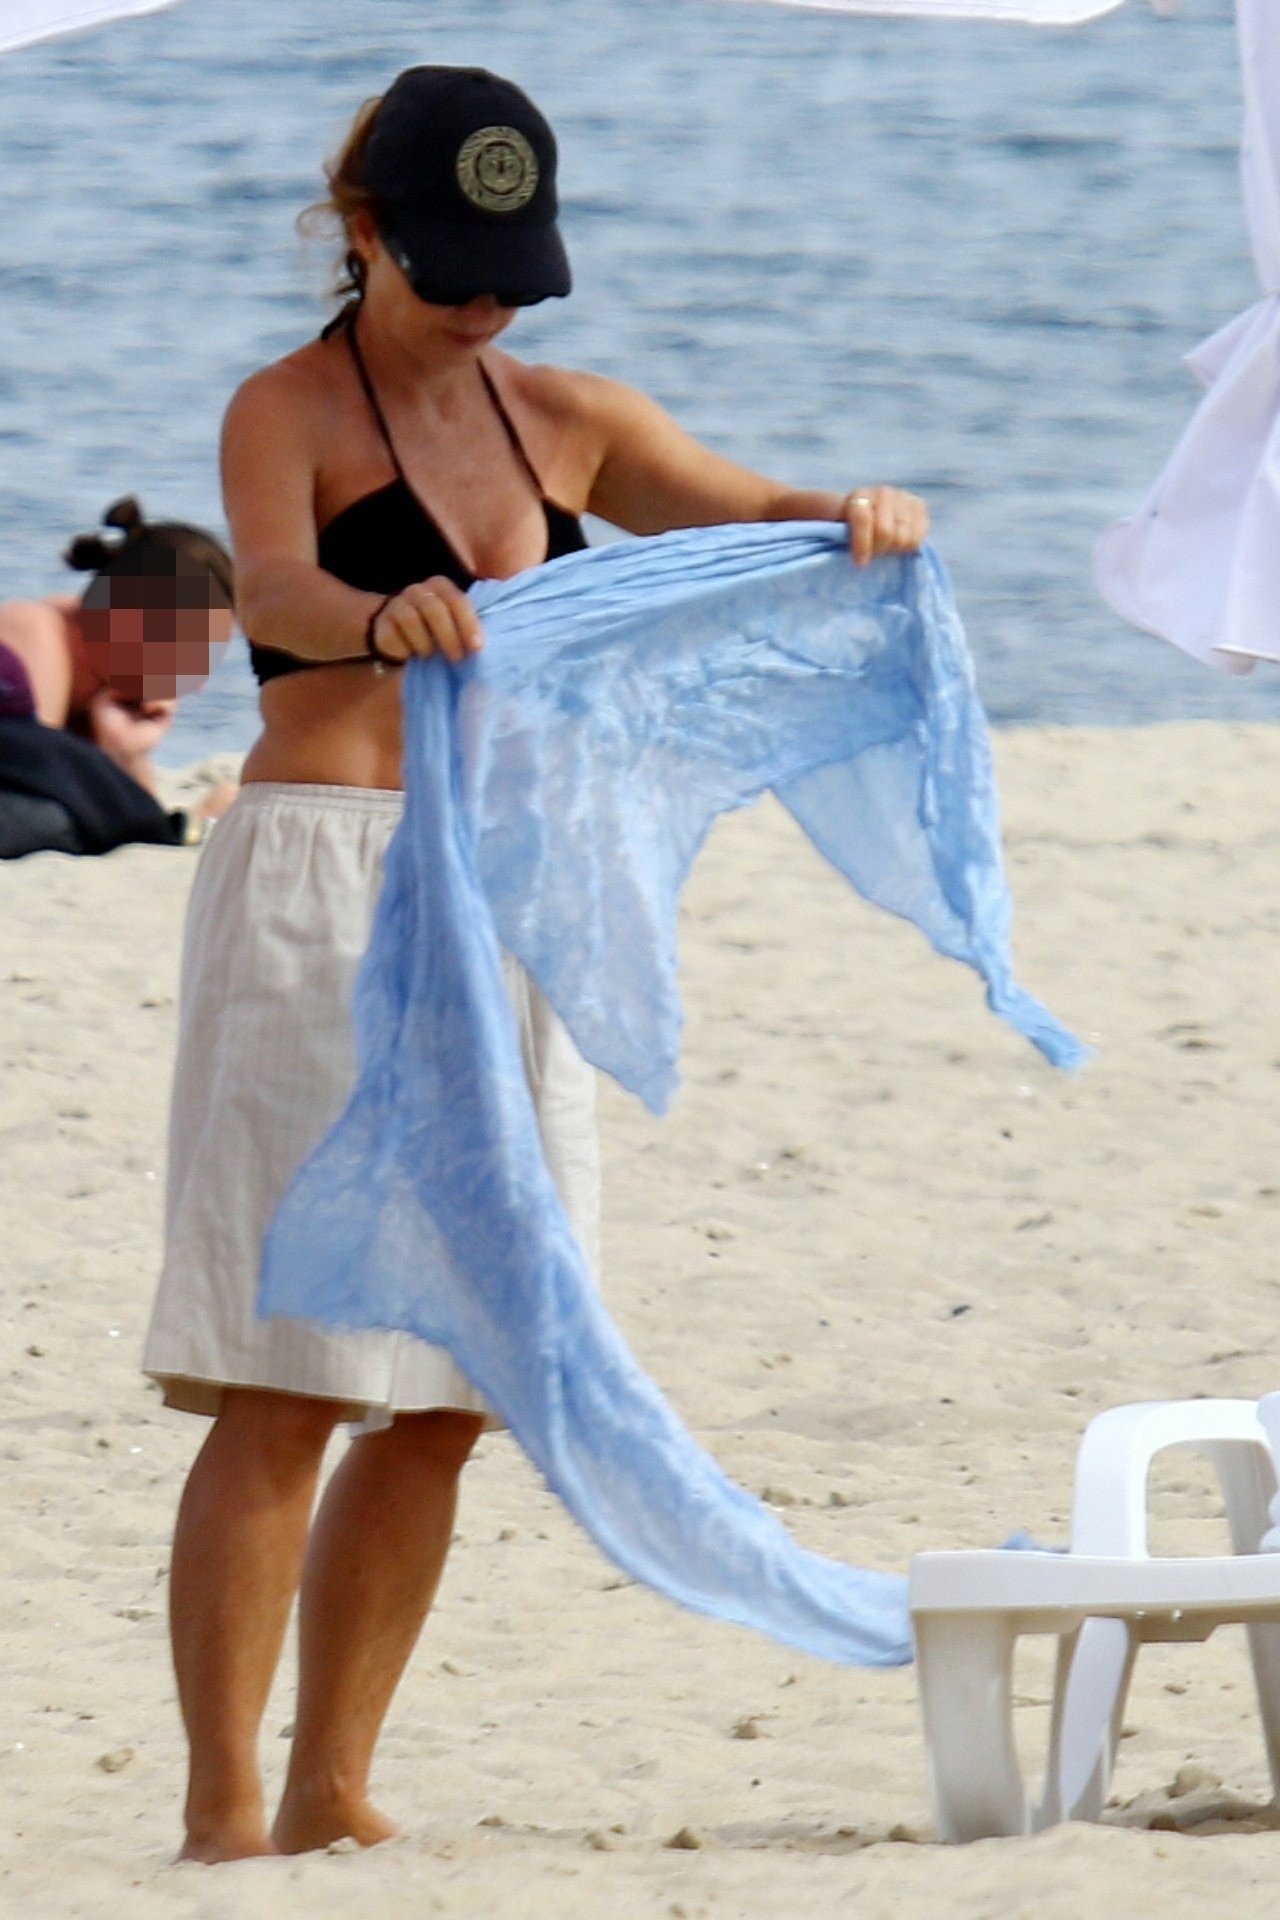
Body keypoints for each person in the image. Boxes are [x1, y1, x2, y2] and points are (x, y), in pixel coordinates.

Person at [142, 64, 930, 1864]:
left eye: (514, 274)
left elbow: (751, 513)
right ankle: (223, 1810)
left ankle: (333, 1787)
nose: (487, 305)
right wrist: (377, 615)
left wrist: (860, 514)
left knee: (460, 1386)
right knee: (292, 1375)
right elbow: (270, 586)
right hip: (325, 884)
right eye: (454, 270)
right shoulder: (284, 407)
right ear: (363, 231)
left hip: (508, 899)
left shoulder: (569, 417)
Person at [0, 499, 237, 857]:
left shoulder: (103, 684)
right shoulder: (34, 629)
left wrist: (127, 753)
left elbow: (130, 816)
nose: (198, 684)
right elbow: (39, 774)